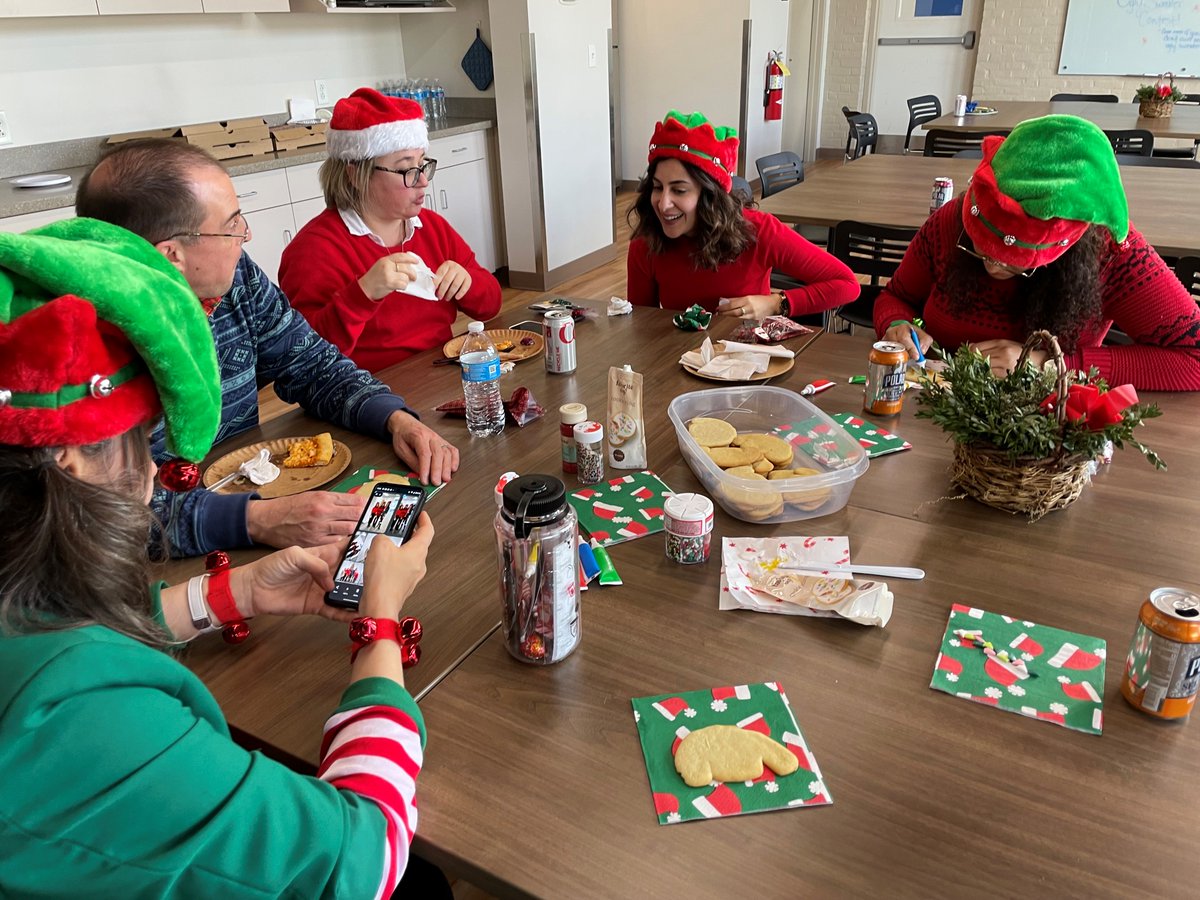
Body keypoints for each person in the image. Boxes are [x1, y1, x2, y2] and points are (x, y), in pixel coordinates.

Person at [0, 219, 447, 897]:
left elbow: (51, 632)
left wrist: (227, 595)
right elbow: (364, 855)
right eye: (140, 449)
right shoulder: (78, 711)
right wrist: (378, 625)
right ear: (71, 464)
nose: (153, 474)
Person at [75, 138, 460, 558]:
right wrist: (257, 519)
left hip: (249, 501)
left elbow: (312, 363)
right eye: (233, 223)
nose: (247, 234)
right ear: (172, 256)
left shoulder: (236, 279)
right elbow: (98, 517)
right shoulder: (73, 349)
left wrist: (395, 419)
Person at [874, 114, 1200, 391]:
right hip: (938, 405)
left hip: (1048, 426)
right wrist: (897, 323)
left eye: (1015, 264)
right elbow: (895, 296)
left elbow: (1194, 359)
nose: (991, 267)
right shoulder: (951, 222)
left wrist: (1050, 363)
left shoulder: (1114, 254)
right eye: (979, 249)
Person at [279, 87, 502, 370]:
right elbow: (304, 361)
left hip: (441, 373)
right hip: (367, 394)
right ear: (356, 175)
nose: (422, 181)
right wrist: (363, 294)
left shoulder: (431, 227)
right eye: (406, 169)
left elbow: (491, 304)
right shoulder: (313, 251)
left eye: (423, 165)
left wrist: (469, 283)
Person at [626, 110, 859, 320]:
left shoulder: (758, 230)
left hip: (750, 359)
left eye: (679, 190)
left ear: (710, 195)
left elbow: (847, 284)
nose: (663, 204)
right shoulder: (647, 241)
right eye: (657, 187)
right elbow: (642, 323)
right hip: (676, 358)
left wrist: (777, 303)